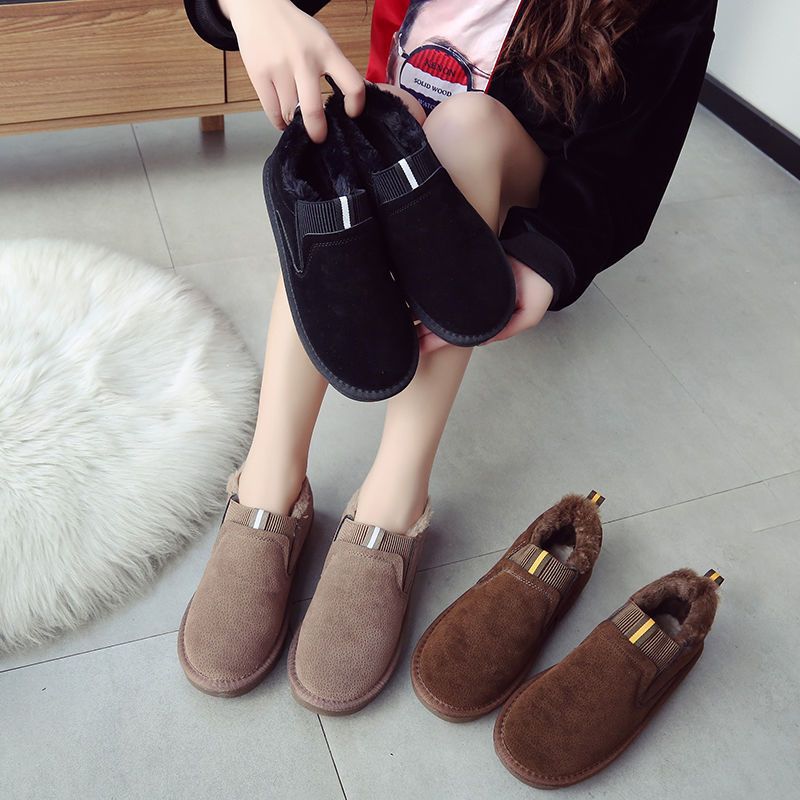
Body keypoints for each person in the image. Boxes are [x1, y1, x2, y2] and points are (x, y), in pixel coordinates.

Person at [176, 0, 718, 707]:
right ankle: (268, 484)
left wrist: (550, 259)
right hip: (397, 141)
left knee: (467, 125)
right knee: (349, 132)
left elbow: (634, 152)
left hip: (509, 180)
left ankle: (391, 506)